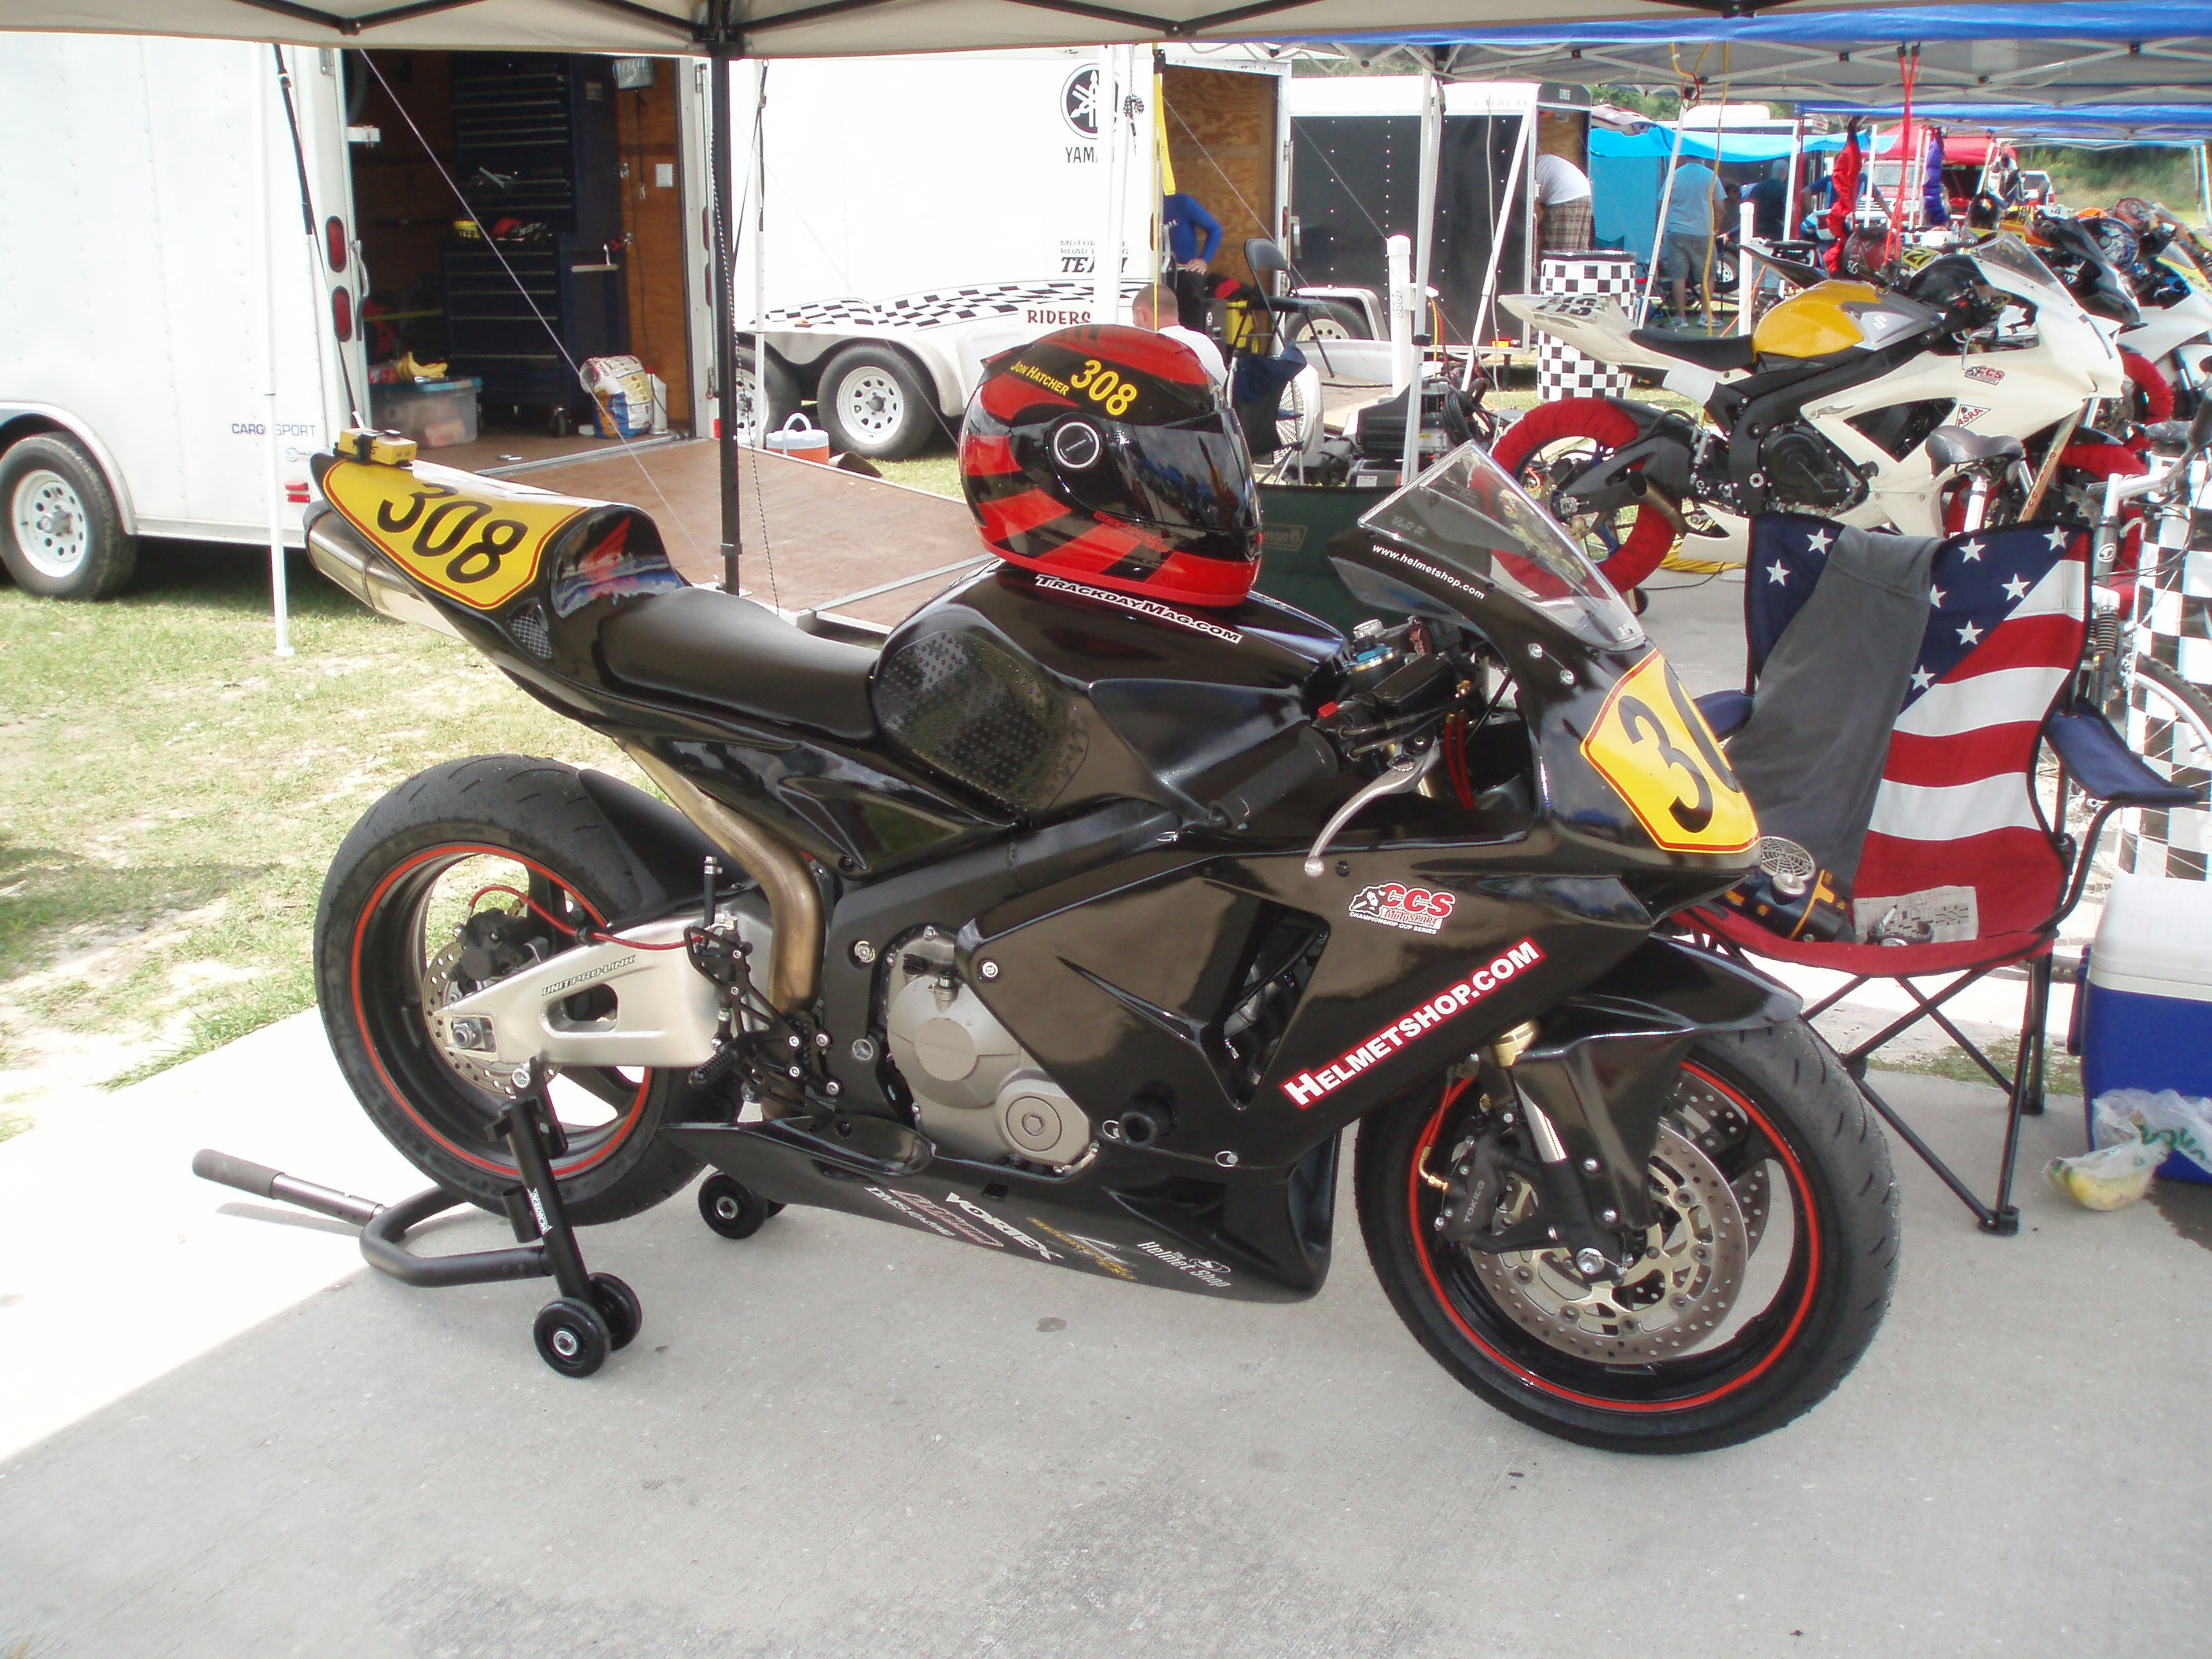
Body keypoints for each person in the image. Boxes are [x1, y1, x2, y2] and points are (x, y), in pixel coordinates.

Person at [1660, 156, 1727, 323]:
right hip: (1702, 231)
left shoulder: (1675, 175)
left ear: (1685, 157)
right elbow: (1720, 207)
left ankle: (1680, 317)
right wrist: (1716, 229)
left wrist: (1662, 230)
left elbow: (1662, 203)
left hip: (1676, 230)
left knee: (1678, 277)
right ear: (1703, 158)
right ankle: (1705, 316)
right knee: (1707, 276)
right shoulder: (1711, 176)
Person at [1130, 282, 1228, 388]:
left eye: (1135, 320)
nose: (1135, 325)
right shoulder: (1205, 341)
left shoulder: (1156, 347)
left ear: (1142, 314)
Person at [1160, 192, 1223, 331]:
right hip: (1154, 272)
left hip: (1183, 271)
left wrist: (1204, 260)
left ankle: (1193, 338)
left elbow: (1215, 230)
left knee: (1193, 285)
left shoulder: (1181, 202)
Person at [1533, 150, 1595, 253]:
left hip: (1566, 195)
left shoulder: (1525, 172)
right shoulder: (1541, 163)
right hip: (1583, 192)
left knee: (1558, 252)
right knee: (1578, 253)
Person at [1745, 161, 1788, 242]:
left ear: (1772, 170)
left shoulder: (1757, 187)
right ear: (1786, 173)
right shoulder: (1784, 189)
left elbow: (1749, 207)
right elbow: (1791, 209)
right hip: (1775, 232)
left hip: (1757, 230)